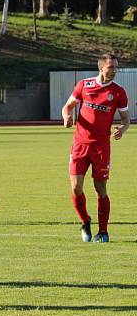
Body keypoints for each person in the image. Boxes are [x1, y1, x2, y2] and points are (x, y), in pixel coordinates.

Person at [61, 53, 129, 243]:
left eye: (116, 67)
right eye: (111, 67)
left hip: (101, 147)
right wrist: (66, 116)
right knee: (76, 187)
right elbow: (67, 107)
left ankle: (103, 231)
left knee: (100, 189)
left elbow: (126, 120)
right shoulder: (84, 85)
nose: (114, 71)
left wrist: (122, 130)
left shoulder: (118, 92)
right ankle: (85, 221)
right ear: (101, 68)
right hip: (80, 144)